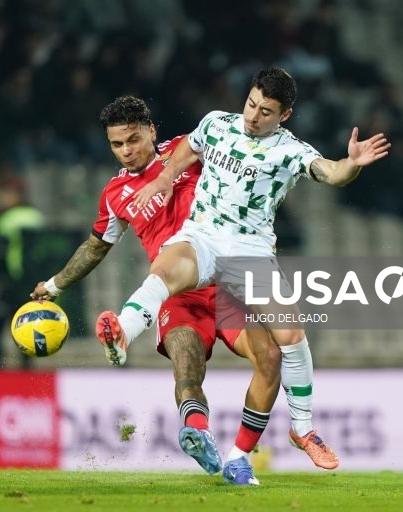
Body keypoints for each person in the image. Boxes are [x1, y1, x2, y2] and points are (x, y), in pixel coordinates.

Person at [95, 68, 390, 471]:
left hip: (249, 251)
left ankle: (297, 431)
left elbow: (332, 172)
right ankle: (122, 336)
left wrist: (352, 163)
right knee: (163, 272)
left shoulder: (289, 150)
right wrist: (164, 179)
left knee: (291, 337)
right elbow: (188, 149)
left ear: (284, 115)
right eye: (251, 104)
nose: (253, 116)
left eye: (265, 112)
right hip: (203, 234)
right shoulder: (217, 124)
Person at [32, 96, 284, 485]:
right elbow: (96, 247)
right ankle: (197, 432)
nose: (126, 151)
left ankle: (240, 458)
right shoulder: (115, 194)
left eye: (133, 139)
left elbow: (243, 155)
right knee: (187, 368)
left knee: (269, 357)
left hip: (226, 281)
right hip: (177, 294)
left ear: (151, 131)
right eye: (117, 144)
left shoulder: (188, 150)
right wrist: (54, 284)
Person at [0, 173, 46, 368]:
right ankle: (27, 368)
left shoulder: (5, 220)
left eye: (6, 194)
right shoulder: (37, 218)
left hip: (11, 281)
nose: (2, 198)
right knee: (28, 327)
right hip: (33, 283)